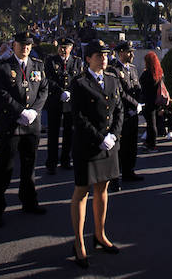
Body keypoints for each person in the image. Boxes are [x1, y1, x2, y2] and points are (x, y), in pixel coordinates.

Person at [68, 40, 123, 268]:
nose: (103, 58)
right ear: (88, 58)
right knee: (82, 191)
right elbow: (78, 117)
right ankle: (79, 242)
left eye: (106, 54)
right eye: (98, 55)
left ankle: (100, 235)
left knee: (103, 188)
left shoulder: (112, 79)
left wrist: (114, 136)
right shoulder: (80, 83)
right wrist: (99, 138)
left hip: (109, 145)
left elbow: (119, 109)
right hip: (88, 145)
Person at [0, 32, 49, 227]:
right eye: (22, 45)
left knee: (29, 166)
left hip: (31, 124)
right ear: (14, 45)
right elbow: (1, 93)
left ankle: (29, 201)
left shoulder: (38, 65)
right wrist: (20, 112)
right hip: (11, 124)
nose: (25, 48)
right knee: (4, 167)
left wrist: (34, 112)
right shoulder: (3, 67)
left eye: (29, 45)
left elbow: (43, 90)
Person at [44, 37, 83, 174]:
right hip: (55, 100)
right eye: (61, 46)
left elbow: (78, 79)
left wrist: (71, 92)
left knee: (69, 132)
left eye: (66, 47)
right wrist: (60, 92)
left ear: (71, 48)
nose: (63, 49)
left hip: (70, 101)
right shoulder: (51, 60)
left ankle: (66, 159)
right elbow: (48, 79)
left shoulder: (76, 61)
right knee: (53, 133)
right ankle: (51, 162)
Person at [108, 40, 144, 189]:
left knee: (131, 145)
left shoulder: (133, 69)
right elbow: (120, 93)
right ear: (121, 52)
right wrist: (135, 104)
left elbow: (137, 88)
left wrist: (140, 103)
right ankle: (115, 177)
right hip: (121, 113)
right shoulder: (114, 70)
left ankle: (129, 171)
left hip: (133, 113)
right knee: (118, 147)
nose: (132, 54)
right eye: (129, 52)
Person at [139, 51, 163, 151]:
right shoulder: (158, 73)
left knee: (151, 123)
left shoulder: (147, 73)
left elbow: (141, 84)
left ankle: (152, 144)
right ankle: (149, 142)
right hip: (156, 100)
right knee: (152, 123)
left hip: (148, 101)